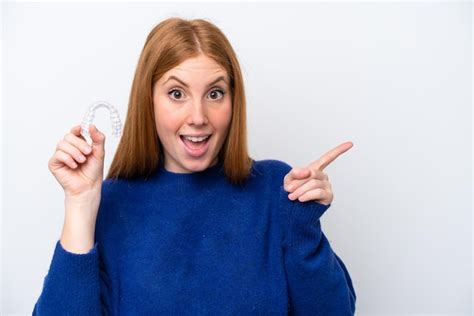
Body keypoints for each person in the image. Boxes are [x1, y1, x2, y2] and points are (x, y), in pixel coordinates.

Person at [33, 17, 356, 315]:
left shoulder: (274, 188)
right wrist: (81, 204)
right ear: (149, 101)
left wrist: (302, 224)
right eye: (177, 94)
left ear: (234, 101)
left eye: (215, 93)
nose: (199, 116)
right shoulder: (112, 203)